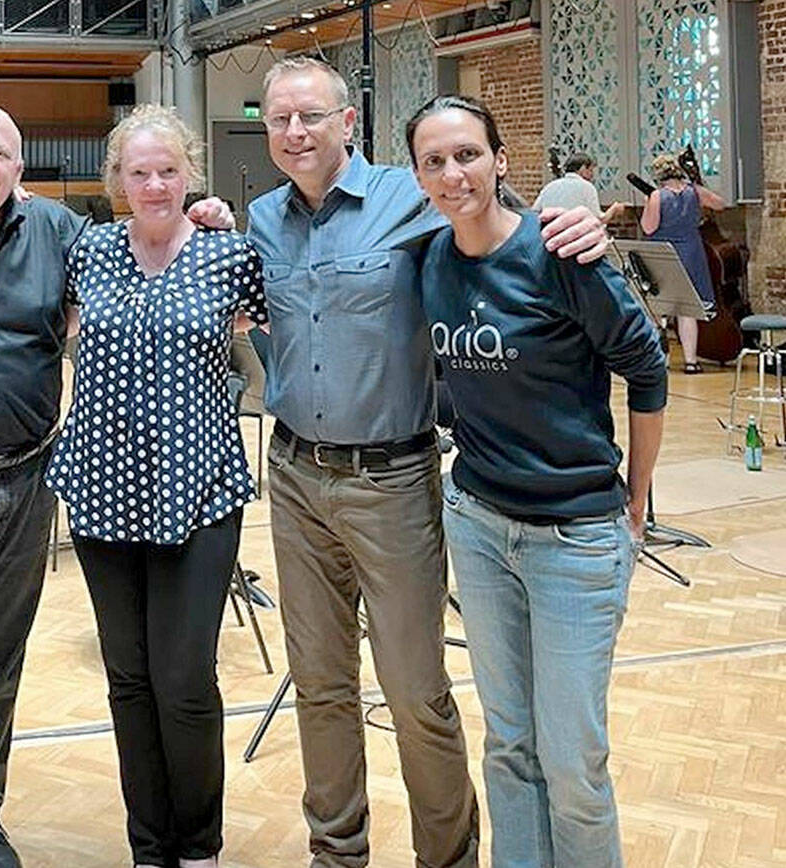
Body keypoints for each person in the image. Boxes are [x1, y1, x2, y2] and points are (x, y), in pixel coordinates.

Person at [244, 56, 609, 868]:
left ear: (348, 122)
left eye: (311, 116)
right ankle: (337, 851)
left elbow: (494, 221)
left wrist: (583, 230)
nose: (295, 132)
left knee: (415, 692)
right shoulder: (262, 219)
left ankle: (446, 858)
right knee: (320, 684)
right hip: (296, 477)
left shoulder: (408, 197)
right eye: (279, 120)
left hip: (392, 480)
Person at [0, 104, 235, 868]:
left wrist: (201, 218)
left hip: (28, 480)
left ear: (19, 171)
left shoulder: (59, 232)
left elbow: (152, 251)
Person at [407, 94, 667, 868]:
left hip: (574, 540)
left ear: (500, 161)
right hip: (480, 527)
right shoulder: (430, 259)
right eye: (434, 161)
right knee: (510, 745)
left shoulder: (558, 253)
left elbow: (647, 369)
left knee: (573, 764)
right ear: (417, 176)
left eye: (467, 155)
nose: (453, 173)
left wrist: (637, 499)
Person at [44, 104, 266, 868]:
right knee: (129, 681)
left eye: (168, 170)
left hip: (196, 491)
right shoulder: (89, 251)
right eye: (139, 172)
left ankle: (198, 845)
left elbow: (286, 322)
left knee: (185, 679)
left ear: (190, 174)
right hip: (102, 490)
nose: (155, 185)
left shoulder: (229, 255)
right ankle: (149, 845)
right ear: (118, 180)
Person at [640, 151, 727, 373]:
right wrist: (698, 183)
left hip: (665, 253)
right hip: (691, 252)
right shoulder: (694, 191)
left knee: (659, 306)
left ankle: (661, 360)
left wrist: (647, 204)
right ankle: (691, 362)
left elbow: (648, 228)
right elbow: (720, 204)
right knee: (686, 308)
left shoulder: (657, 196)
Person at [533, 152, 625, 224]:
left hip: (549, 238)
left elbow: (534, 213)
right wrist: (614, 209)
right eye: (590, 170)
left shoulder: (549, 187)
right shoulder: (587, 188)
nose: (592, 175)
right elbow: (597, 220)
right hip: (576, 238)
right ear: (583, 168)